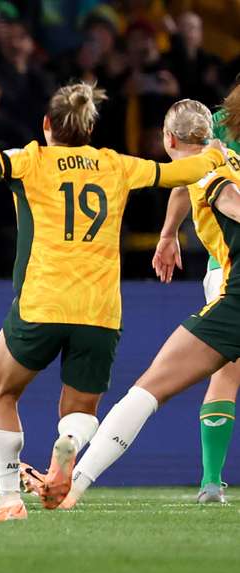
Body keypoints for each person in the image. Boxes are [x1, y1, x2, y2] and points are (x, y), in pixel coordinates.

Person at [0, 81, 226, 521]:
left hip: (41, 303)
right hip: (100, 311)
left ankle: (8, 500)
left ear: (47, 125)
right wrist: (216, 151)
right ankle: (72, 444)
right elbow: (179, 173)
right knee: (79, 411)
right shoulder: (116, 165)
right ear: (91, 127)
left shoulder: (30, 161)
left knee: (1, 391)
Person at [58, 98, 240, 509]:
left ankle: (76, 484)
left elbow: (225, 197)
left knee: (148, 389)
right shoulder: (221, 155)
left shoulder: (209, 175)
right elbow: (188, 181)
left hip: (237, 301)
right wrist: (168, 233)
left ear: (167, 137)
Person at [150, 87, 240, 504]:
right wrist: (168, 233)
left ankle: (209, 482)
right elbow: (186, 178)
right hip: (228, 267)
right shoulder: (216, 128)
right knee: (227, 372)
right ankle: (209, 480)